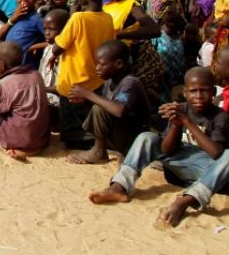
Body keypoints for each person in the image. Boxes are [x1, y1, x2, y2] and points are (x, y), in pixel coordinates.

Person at [88, 67, 229, 229]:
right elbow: (167, 149)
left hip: (209, 171)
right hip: (178, 167)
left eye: (204, 91)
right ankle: (119, 186)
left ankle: (185, 201)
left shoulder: (220, 117)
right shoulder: (179, 109)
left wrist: (187, 121)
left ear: (213, 92)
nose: (198, 96)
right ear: (185, 92)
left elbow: (216, 153)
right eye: (193, 91)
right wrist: (176, 124)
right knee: (147, 137)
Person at [46, 0, 116, 149]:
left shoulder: (78, 18)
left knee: (71, 130)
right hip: (95, 81)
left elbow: (57, 47)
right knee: (86, 119)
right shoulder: (108, 18)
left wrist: (71, 15)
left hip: (73, 82)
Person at [67, 40, 150, 164]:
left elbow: (119, 110)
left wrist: (88, 94)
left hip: (137, 139)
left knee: (99, 108)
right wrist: (85, 100)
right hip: (121, 134)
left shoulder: (130, 82)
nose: (97, 68)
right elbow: (105, 110)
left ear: (118, 64)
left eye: (102, 64)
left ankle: (99, 151)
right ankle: (101, 149)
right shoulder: (110, 82)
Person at [0, 41, 50, 160]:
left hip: (18, 140)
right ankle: (31, 149)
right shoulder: (36, 75)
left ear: (2, 64)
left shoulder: (1, 85)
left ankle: (16, 147)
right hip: (41, 139)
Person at [0, 0, 45, 70]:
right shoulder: (15, 17)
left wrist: (34, 47)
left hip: (25, 68)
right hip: (9, 68)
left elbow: (56, 41)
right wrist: (11, 20)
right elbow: (0, 35)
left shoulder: (37, 19)